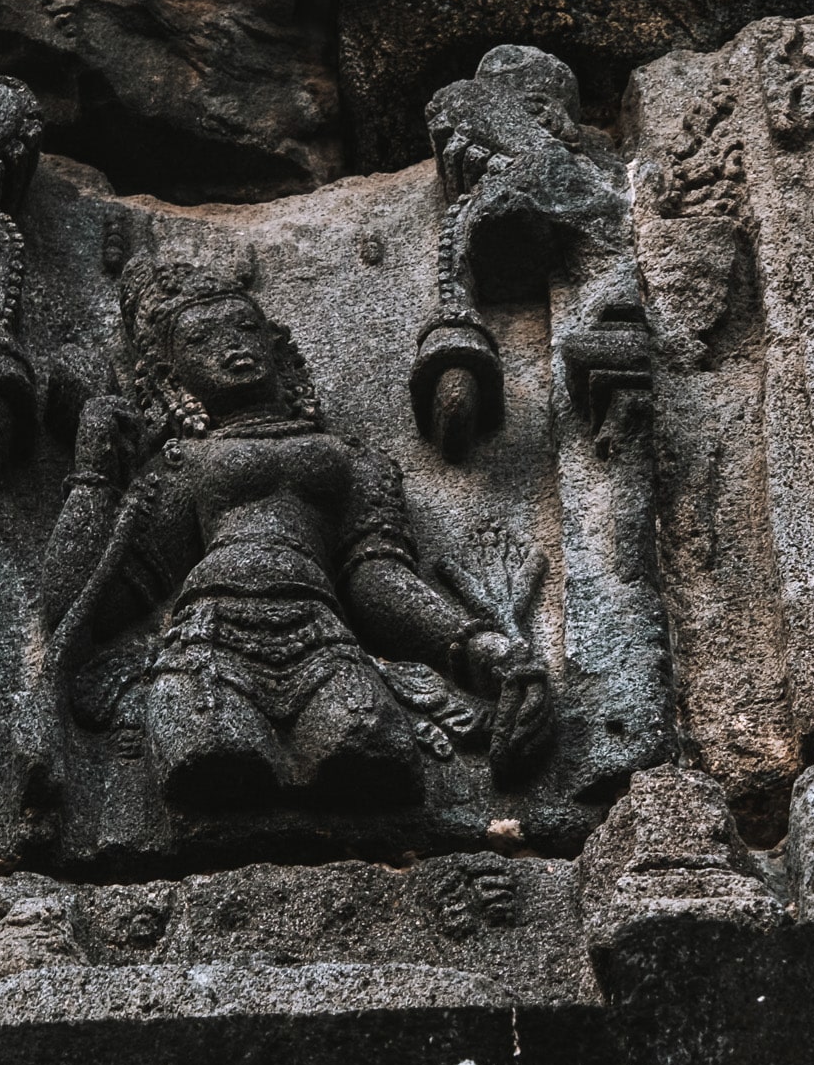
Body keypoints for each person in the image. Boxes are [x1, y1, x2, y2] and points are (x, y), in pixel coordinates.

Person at [42, 258, 549, 813]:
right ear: (170, 377)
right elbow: (84, 607)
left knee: (368, 751)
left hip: (324, 640)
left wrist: (480, 649)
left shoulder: (354, 459)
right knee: (212, 761)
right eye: (201, 339)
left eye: (245, 328)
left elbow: (376, 581)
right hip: (206, 647)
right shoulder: (180, 463)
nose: (232, 346)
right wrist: (93, 473)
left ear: (276, 344)